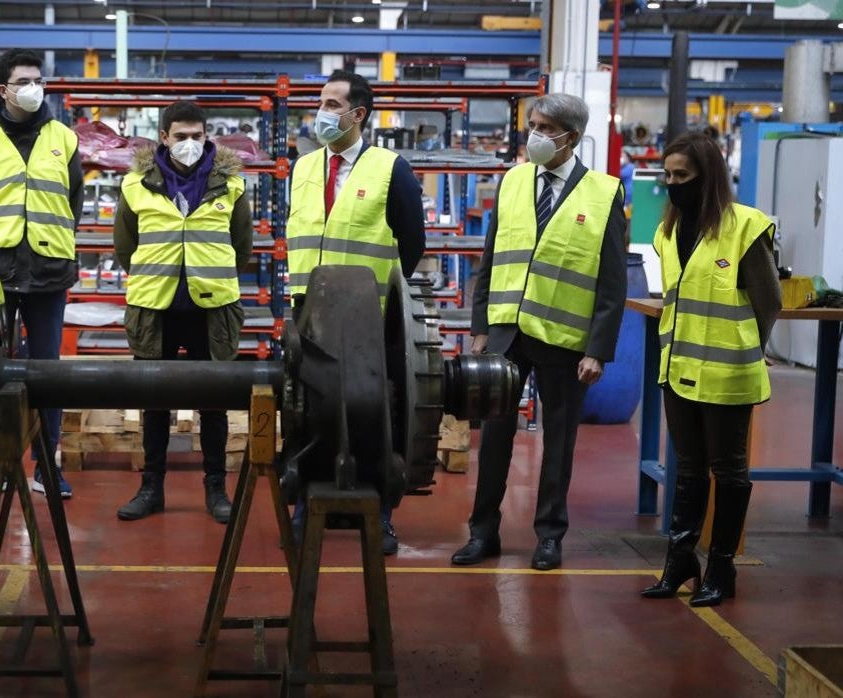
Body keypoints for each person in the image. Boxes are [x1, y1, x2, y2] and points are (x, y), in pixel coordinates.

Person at [454, 93, 627, 571]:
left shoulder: (604, 192)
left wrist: (598, 349)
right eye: (532, 124)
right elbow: (491, 260)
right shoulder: (512, 182)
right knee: (494, 438)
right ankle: (481, 532)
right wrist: (480, 327)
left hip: (564, 339)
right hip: (507, 333)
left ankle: (550, 536)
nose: (534, 135)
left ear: (570, 137)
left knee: (559, 442)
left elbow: (612, 281)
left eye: (545, 127)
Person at [285, 70, 426, 555]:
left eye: (330, 103)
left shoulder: (391, 169)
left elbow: (412, 244)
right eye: (320, 102)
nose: (320, 112)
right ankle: (306, 506)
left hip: (369, 321)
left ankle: (379, 515)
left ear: (357, 114)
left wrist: (377, 303)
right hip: (310, 316)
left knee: (375, 416)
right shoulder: (302, 168)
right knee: (307, 415)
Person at [640, 132, 780, 607]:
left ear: (708, 177)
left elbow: (770, 301)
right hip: (678, 367)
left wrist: (751, 347)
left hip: (728, 373)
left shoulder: (744, 226)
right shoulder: (666, 232)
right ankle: (680, 562)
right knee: (689, 469)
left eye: (682, 175)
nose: (672, 183)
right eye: (668, 174)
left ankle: (722, 568)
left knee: (730, 470)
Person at [0, 48, 82, 500]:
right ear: (3, 89)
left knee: (47, 373)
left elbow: (73, 202)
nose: (34, 88)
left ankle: (47, 467)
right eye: (24, 81)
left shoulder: (64, 138)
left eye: (38, 80)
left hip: (49, 271)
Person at [112, 101, 253, 523]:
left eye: (197, 136)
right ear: (163, 137)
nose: (189, 144)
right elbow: (125, 248)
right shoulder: (136, 184)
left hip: (211, 310)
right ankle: (151, 487)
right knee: (154, 403)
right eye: (181, 136)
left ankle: (216, 490)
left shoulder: (230, 185)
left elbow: (241, 249)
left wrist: (206, 277)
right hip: (157, 309)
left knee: (214, 403)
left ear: (207, 135)